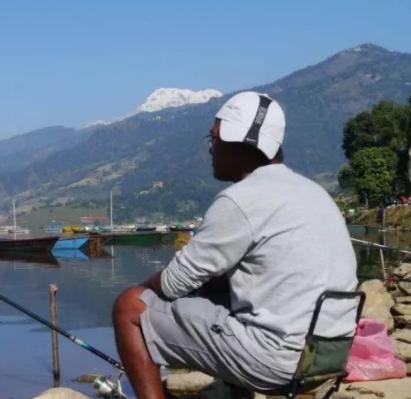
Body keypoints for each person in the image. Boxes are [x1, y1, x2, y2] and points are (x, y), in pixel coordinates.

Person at [112, 91, 358, 398]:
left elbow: (174, 283)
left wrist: (142, 289)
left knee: (129, 307)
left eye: (214, 139)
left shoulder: (240, 199)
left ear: (240, 145)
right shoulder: (313, 192)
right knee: (218, 292)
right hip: (327, 357)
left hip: (276, 362)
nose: (210, 149)